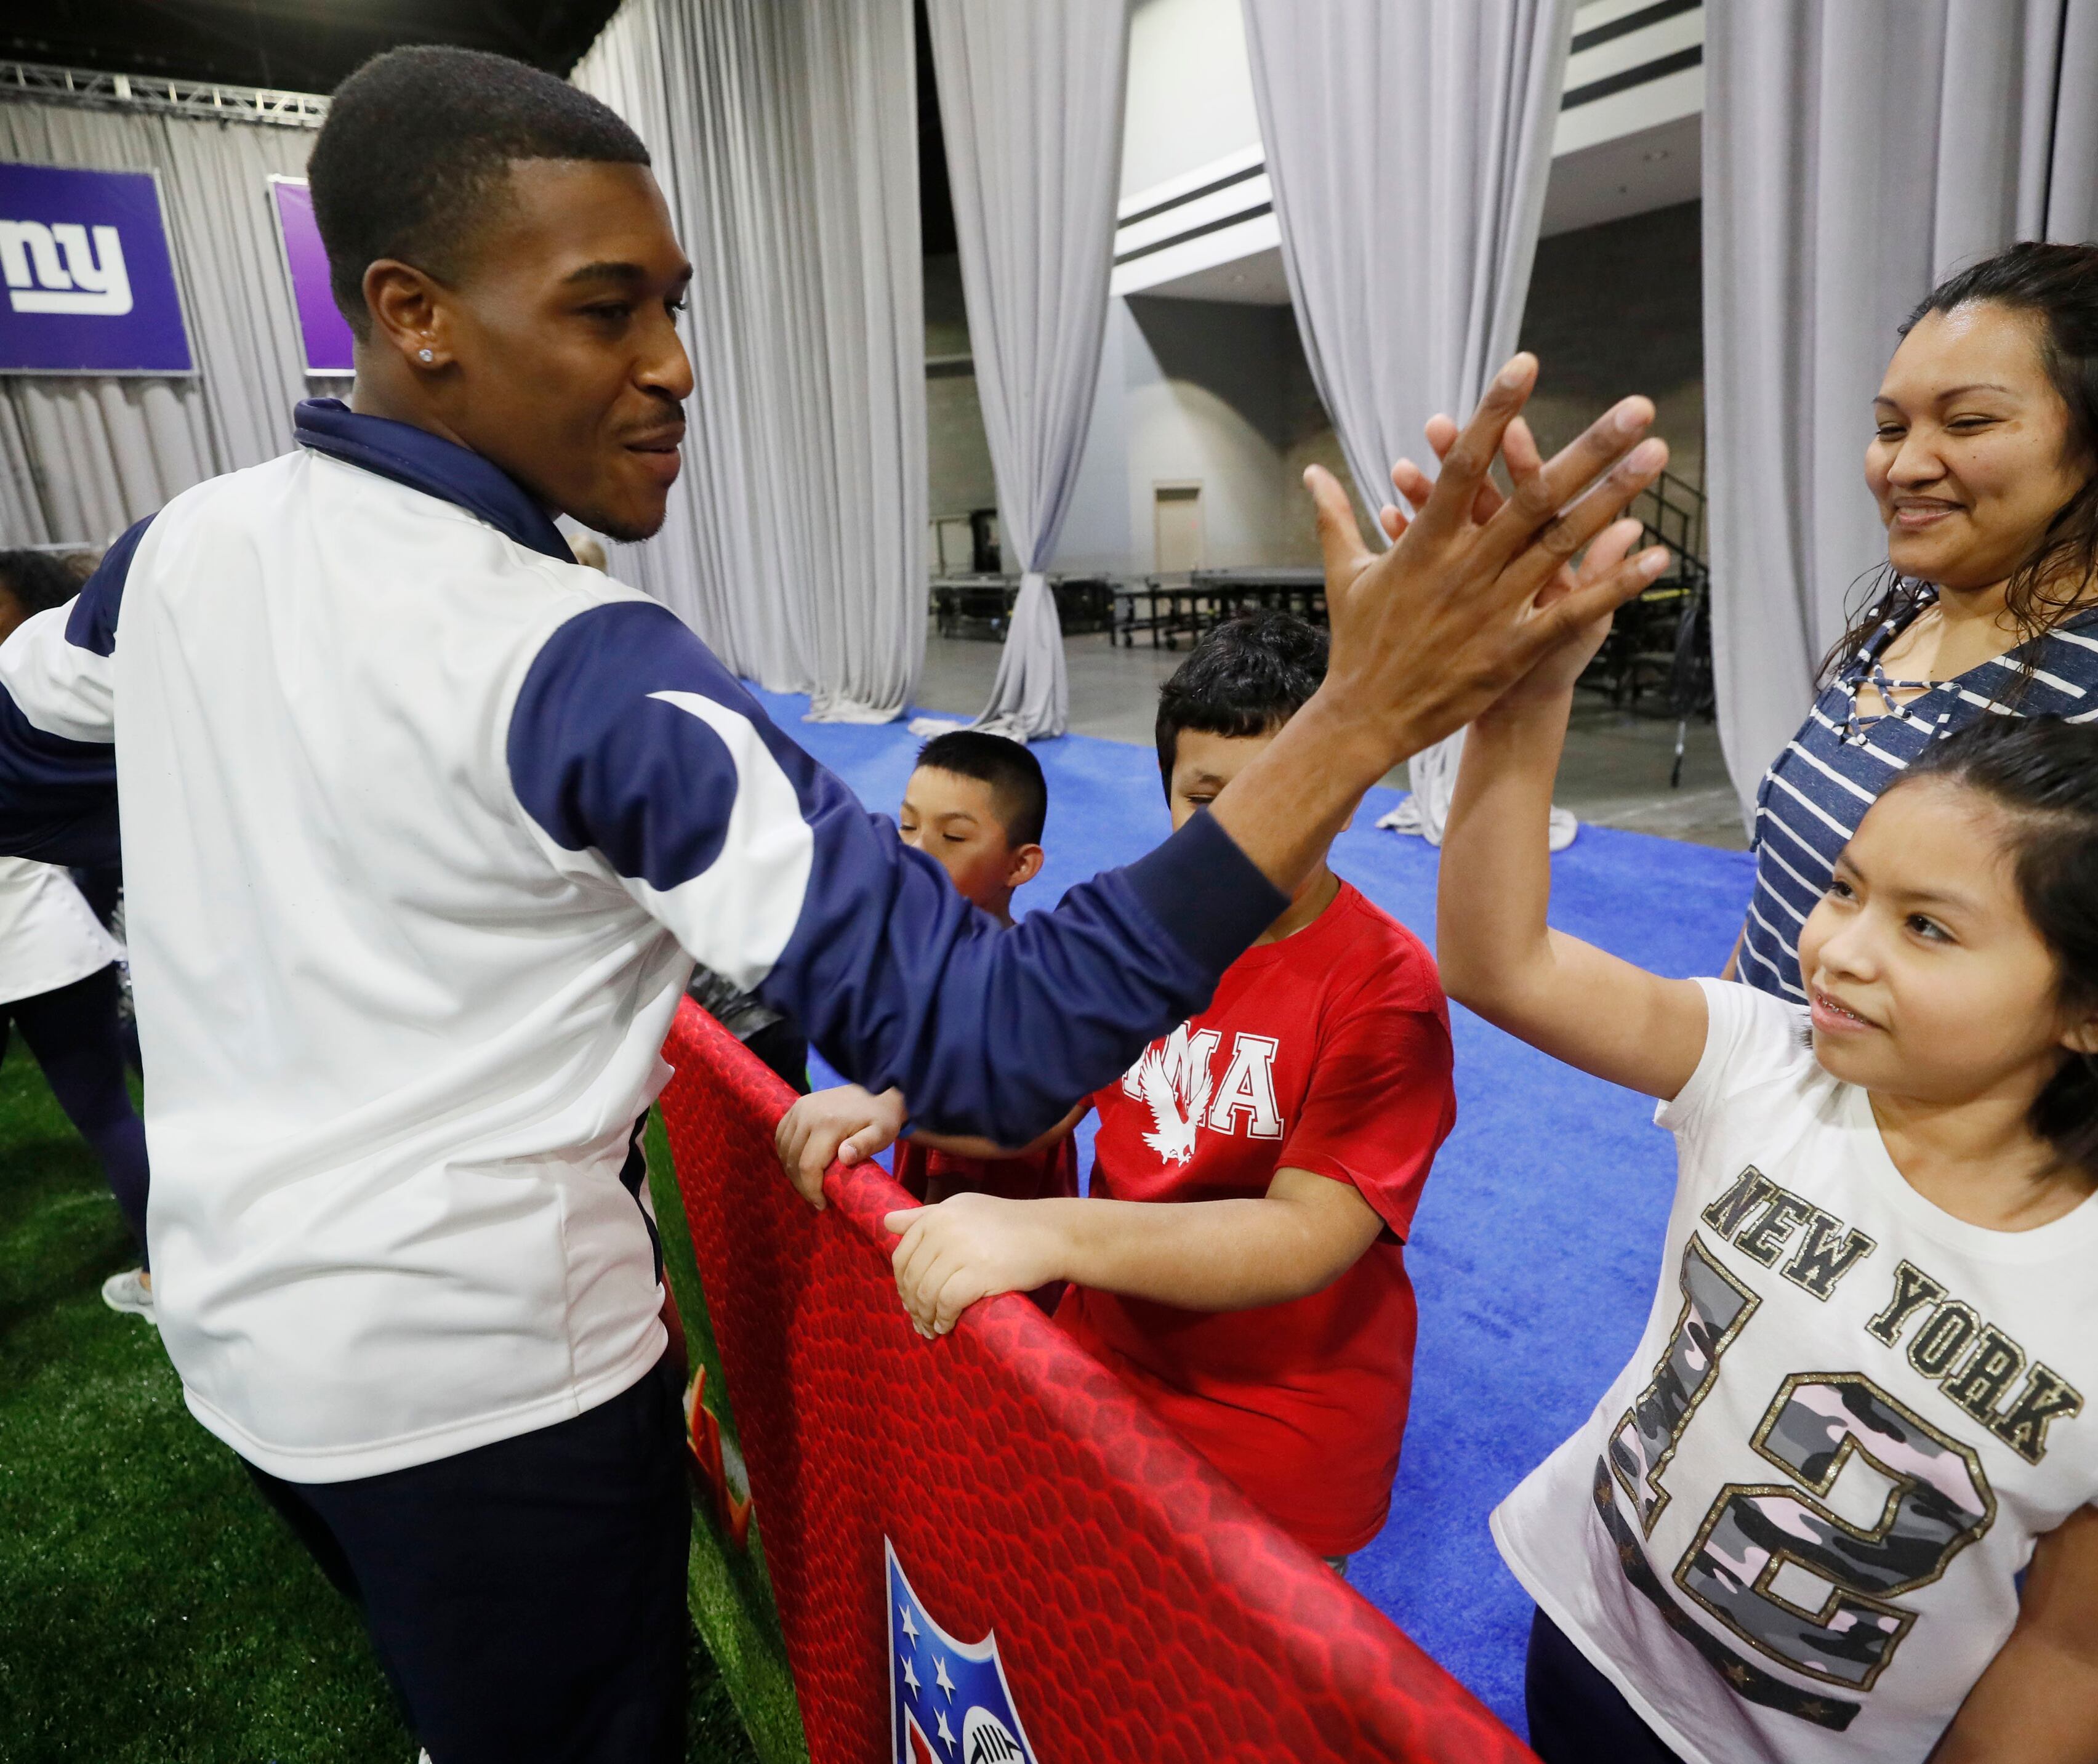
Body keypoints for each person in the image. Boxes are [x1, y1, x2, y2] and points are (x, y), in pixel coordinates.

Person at [0, 44, 1671, 1762]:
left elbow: (23, 772)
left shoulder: (176, 551)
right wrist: (1363, 715)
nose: (674, 367)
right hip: (488, 1384)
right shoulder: (570, 662)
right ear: (415, 312)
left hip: (240, 1341)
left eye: (676, 302)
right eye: (605, 311)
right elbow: (992, 1045)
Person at [1438, 643, 2098, 1763]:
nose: (1836, 952)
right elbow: (1501, 964)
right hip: (1590, 1630)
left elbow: (2082, 1653)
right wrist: (1526, 698)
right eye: (1844, 888)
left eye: (1927, 927)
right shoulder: (1765, 1062)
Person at [1389, 240, 2098, 1244]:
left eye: (1967, 422)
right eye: (1888, 426)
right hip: (1794, 1165)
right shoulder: (1916, 609)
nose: (1905, 463)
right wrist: (1529, 696)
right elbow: (1780, 899)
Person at [846, 614, 1458, 1568]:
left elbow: (1307, 1236)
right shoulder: (1142, 927)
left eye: (1288, 793)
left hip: (1279, 1408)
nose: (1244, 831)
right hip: (1108, 1359)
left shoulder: (1386, 985)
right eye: (1205, 797)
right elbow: (1038, 1092)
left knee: (1246, 1698)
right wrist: (895, 1104)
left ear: (1347, 798)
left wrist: (1050, 1233)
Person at [780, 729, 1078, 1310]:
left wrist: (894, 1111)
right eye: (908, 826)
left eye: (953, 836)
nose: (915, 852)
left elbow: (1013, 1136)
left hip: (986, 1272)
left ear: (1021, 865)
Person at [0, 549, 153, 1319]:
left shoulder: (38, 695)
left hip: (62, 937)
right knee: (110, 1113)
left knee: (114, 1108)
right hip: (58, 944)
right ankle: (171, 1272)